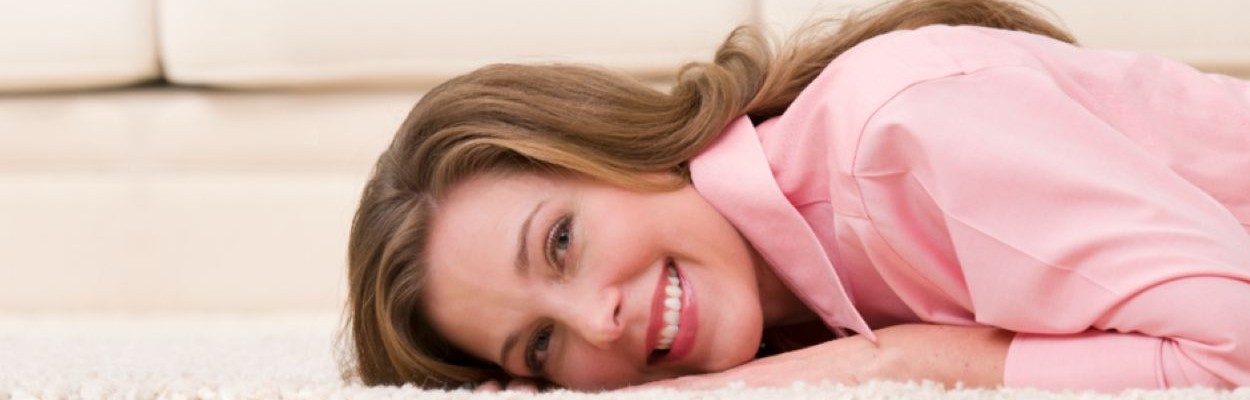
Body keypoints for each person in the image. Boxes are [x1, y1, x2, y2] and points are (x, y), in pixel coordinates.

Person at [342, 0, 1250, 392]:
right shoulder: (793, 307)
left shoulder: (899, 134)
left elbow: (1235, 350)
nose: (599, 324)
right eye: (540, 346)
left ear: (618, 147)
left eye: (561, 244)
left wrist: (891, 366)